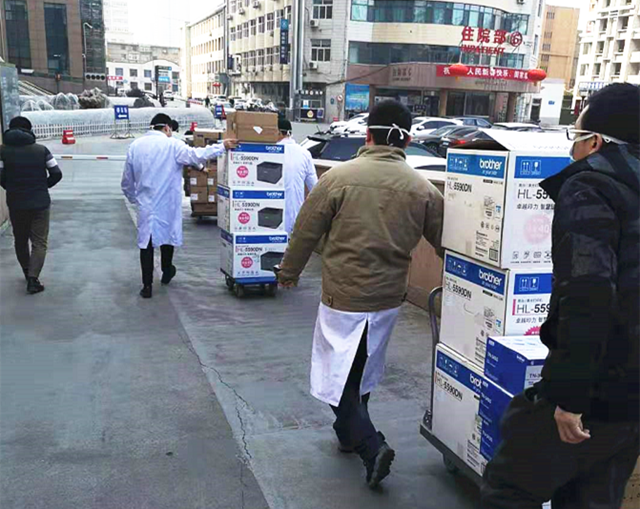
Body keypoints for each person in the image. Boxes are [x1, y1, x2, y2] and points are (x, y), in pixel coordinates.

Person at [481, 83, 640, 509]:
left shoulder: (591, 187)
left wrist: (569, 397)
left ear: (596, 142)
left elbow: (589, 294)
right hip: (633, 400)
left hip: (600, 386)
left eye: (576, 136)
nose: (572, 149)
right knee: (593, 498)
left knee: (509, 489)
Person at [276, 100, 444, 488]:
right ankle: (348, 436)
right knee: (362, 372)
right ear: (407, 140)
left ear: (367, 135)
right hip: (387, 299)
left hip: (343, 297)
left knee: (336, 376)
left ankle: (371, 445)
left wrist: (288, 273)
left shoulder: (338, 178)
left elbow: (305, 231)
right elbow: (445, 244)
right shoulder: (423, 188)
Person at [121, 113, 237, 298]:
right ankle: (167, 271)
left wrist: (135, 199)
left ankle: (147, 286)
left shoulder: (135, 146)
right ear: (167, 128)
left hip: (146, 205)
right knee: (167, 238)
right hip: (167, 204)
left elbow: (127, 181)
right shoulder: (173, 145)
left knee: (146, 244)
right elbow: (197, 154)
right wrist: (222, 146)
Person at [0, 116, 62, 294]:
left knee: (20, 240)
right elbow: (56, 173)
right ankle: (33, 279)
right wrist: (43, 186)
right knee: (39, 242)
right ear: (29, 130)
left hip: (16, 203)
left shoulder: (2, 151)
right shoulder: (41, 150)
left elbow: (0, 175)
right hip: (40, 202)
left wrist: (11, 188)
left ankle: (27, 272)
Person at [276, 118, 318, 234]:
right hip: (296, 219)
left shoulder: (270, 153)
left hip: (271, 219)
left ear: (278, 132)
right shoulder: (305, 153)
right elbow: (315, 188)